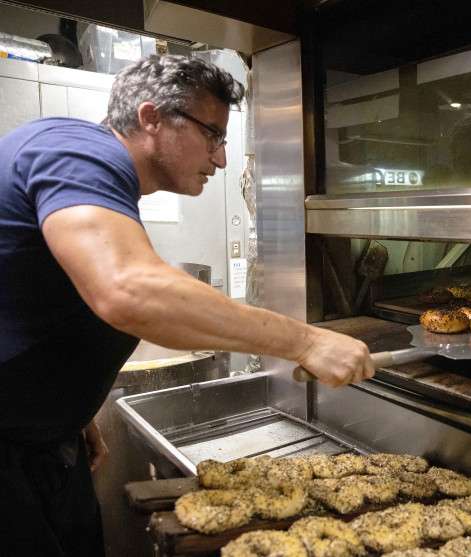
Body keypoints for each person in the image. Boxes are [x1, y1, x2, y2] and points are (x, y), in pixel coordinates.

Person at [0, 54, 374, 556]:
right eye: (213, 134)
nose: (221, 159)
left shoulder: (87, 166)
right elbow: (129, 290)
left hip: (45, 437)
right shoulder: (76, 152)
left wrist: (71, 410)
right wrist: (306, 341)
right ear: (151, 118)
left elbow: (34, 297)